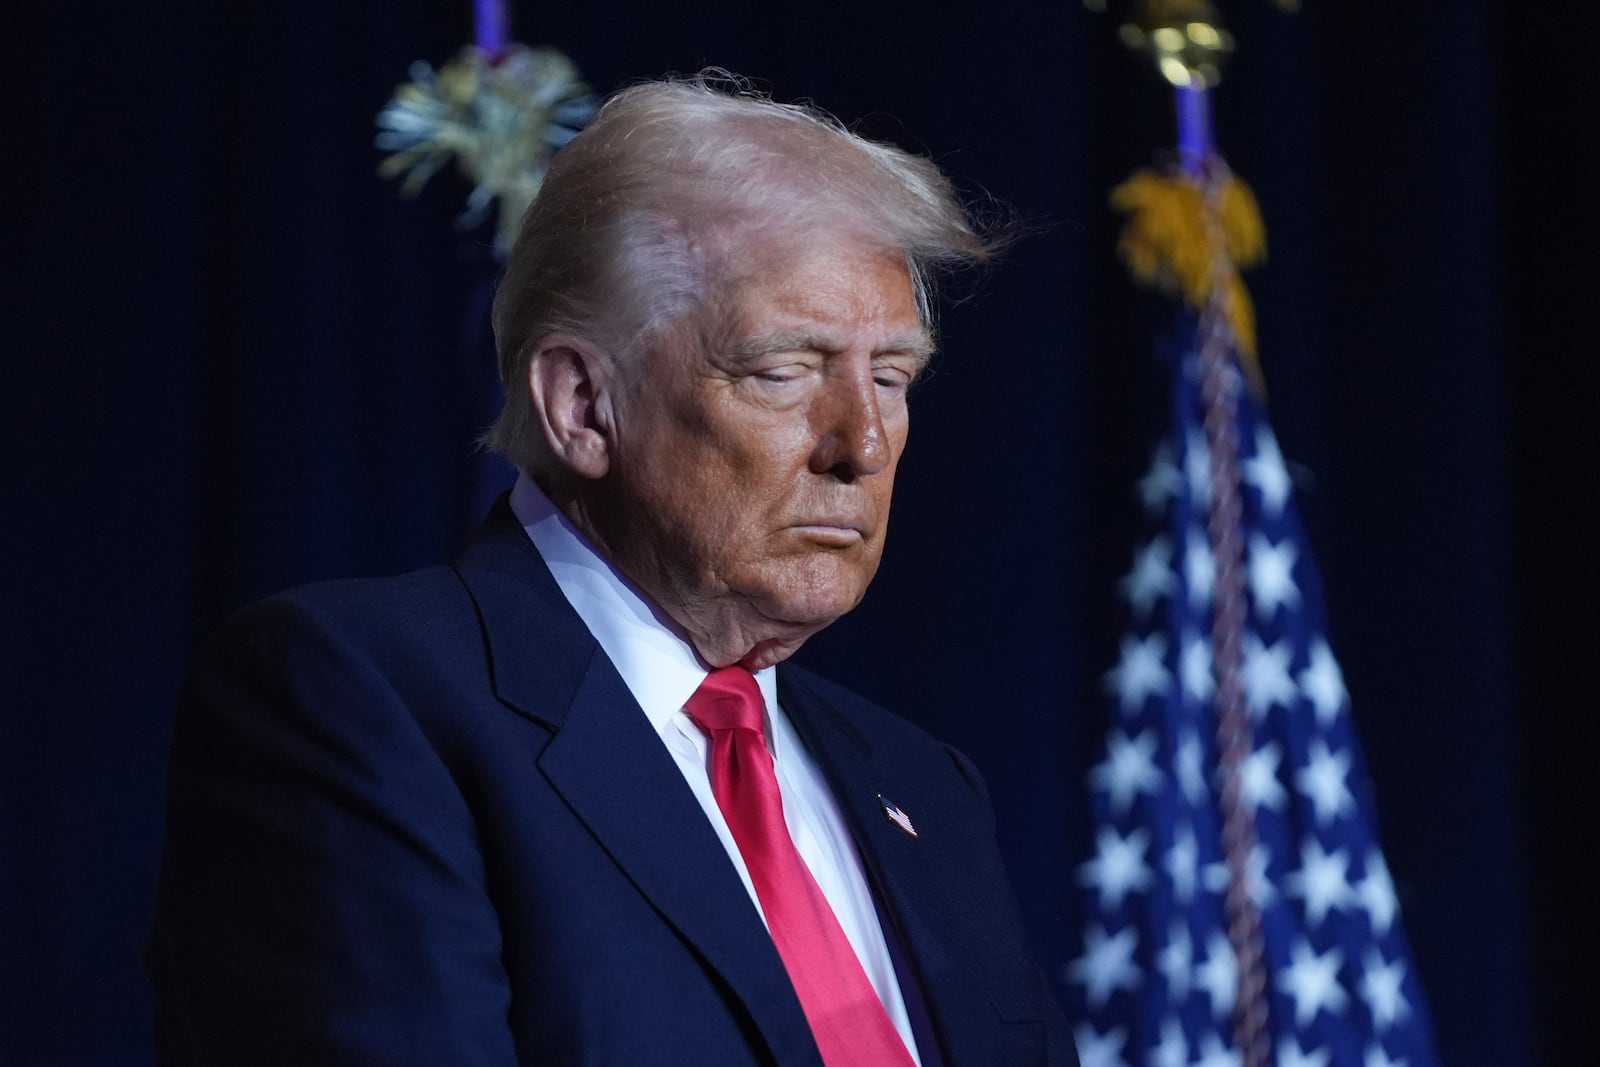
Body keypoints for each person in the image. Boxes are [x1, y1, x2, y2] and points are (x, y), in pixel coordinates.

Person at [147, 75, 1078, 1066]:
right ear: (584, 405)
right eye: (783, 370)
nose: (861, 444)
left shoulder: (925, 786)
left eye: (890, 377)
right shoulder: (358, 698)